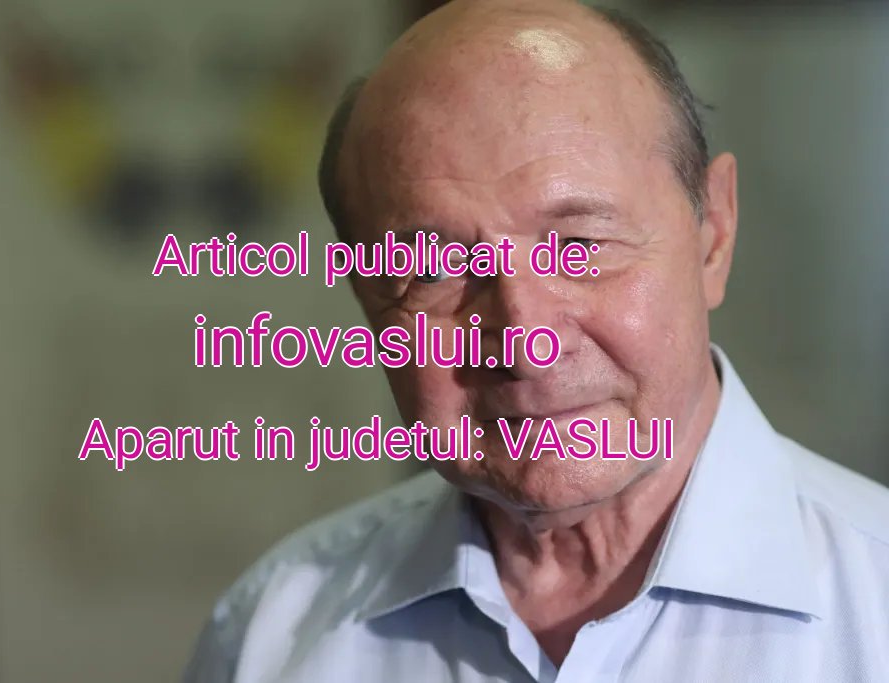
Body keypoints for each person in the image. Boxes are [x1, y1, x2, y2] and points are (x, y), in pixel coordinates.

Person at [182, 1, 889, 681]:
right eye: (436, 270)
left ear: (715, 235)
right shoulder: (269, 637)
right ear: (367, 300)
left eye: (580, 247)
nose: (525, 344)